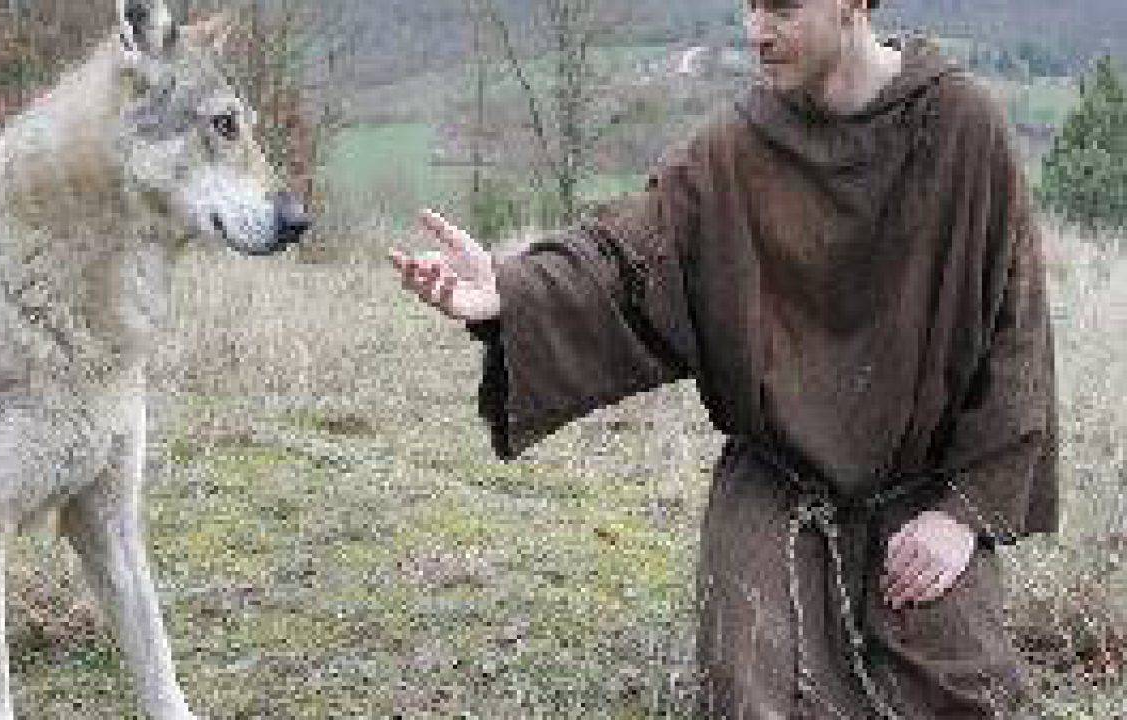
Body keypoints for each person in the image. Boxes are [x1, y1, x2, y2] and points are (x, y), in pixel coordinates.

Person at [389, 0, 1058, 717]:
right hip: (779, 482)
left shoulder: (963, 127)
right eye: (748, 4)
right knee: (752, 697)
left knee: (964, 697)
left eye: (782, 6)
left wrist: (960, 516)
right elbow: (629, 257)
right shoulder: (736, 148)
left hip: (922, 491)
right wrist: (510, 289)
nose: (756, 29)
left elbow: (1015, 333)